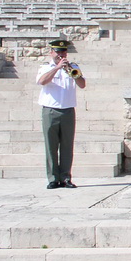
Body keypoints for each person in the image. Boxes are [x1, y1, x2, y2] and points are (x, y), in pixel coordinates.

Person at [36, 39, 86, 189]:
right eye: (58, 52)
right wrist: (57, 68)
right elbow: (42, 81)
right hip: (50, 110)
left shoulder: (74, 67)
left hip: (68, 110)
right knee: (51, 146)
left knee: (66, 146)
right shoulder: (46, 67)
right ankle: (52, 178)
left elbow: (82, 84)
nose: (61, 54)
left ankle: (65, 177)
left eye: (63, 52)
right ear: (51, 52)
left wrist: (72, 71)